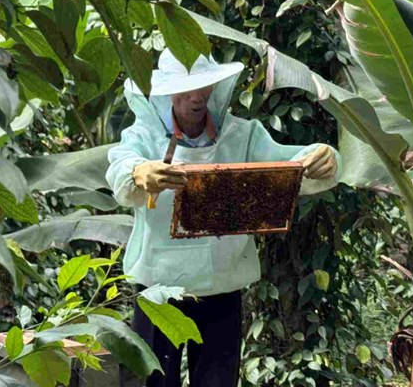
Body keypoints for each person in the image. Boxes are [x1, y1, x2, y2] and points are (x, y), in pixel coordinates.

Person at [106, 49, 341, 387]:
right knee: (153, 380)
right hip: (158, 288)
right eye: (187, 89)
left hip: (222, 285)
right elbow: (121, 165)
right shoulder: (143, 135)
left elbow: (290, 166)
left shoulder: (243, 135)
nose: (197, 97)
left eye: (203, 86)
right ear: (169, 91)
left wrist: (323, 158)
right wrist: (137, 172)